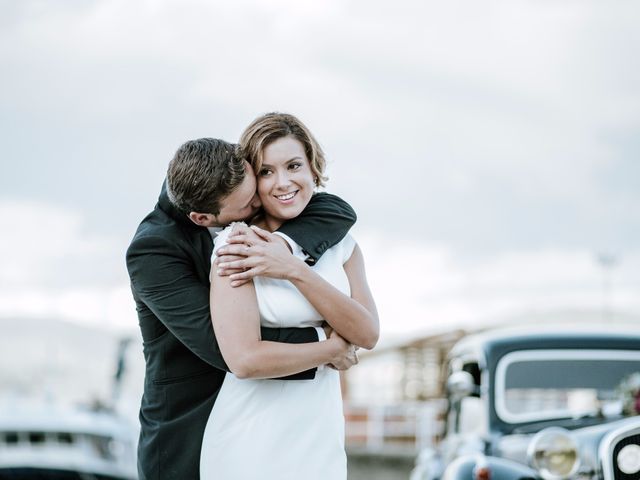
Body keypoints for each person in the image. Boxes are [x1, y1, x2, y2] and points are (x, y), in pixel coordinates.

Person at [126, 137, 359, 480]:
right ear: (203, 217)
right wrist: (325, 345)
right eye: (249, 204)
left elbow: (337, 210)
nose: (261, 204)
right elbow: (222, 345)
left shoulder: (231, 175)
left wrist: (281, 247)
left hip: (264, 423)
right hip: (188, 428)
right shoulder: (153, 251)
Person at [200, 113, 379, 479]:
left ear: (313, 167)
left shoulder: (343, 244)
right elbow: (245, 359)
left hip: (320, 438)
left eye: (293, 165)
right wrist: (331, 349)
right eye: (266, 172)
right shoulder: (237, 246)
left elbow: (368, 333)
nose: (283, 183)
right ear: (252, 180)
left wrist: (293, 269)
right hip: (251, 441)